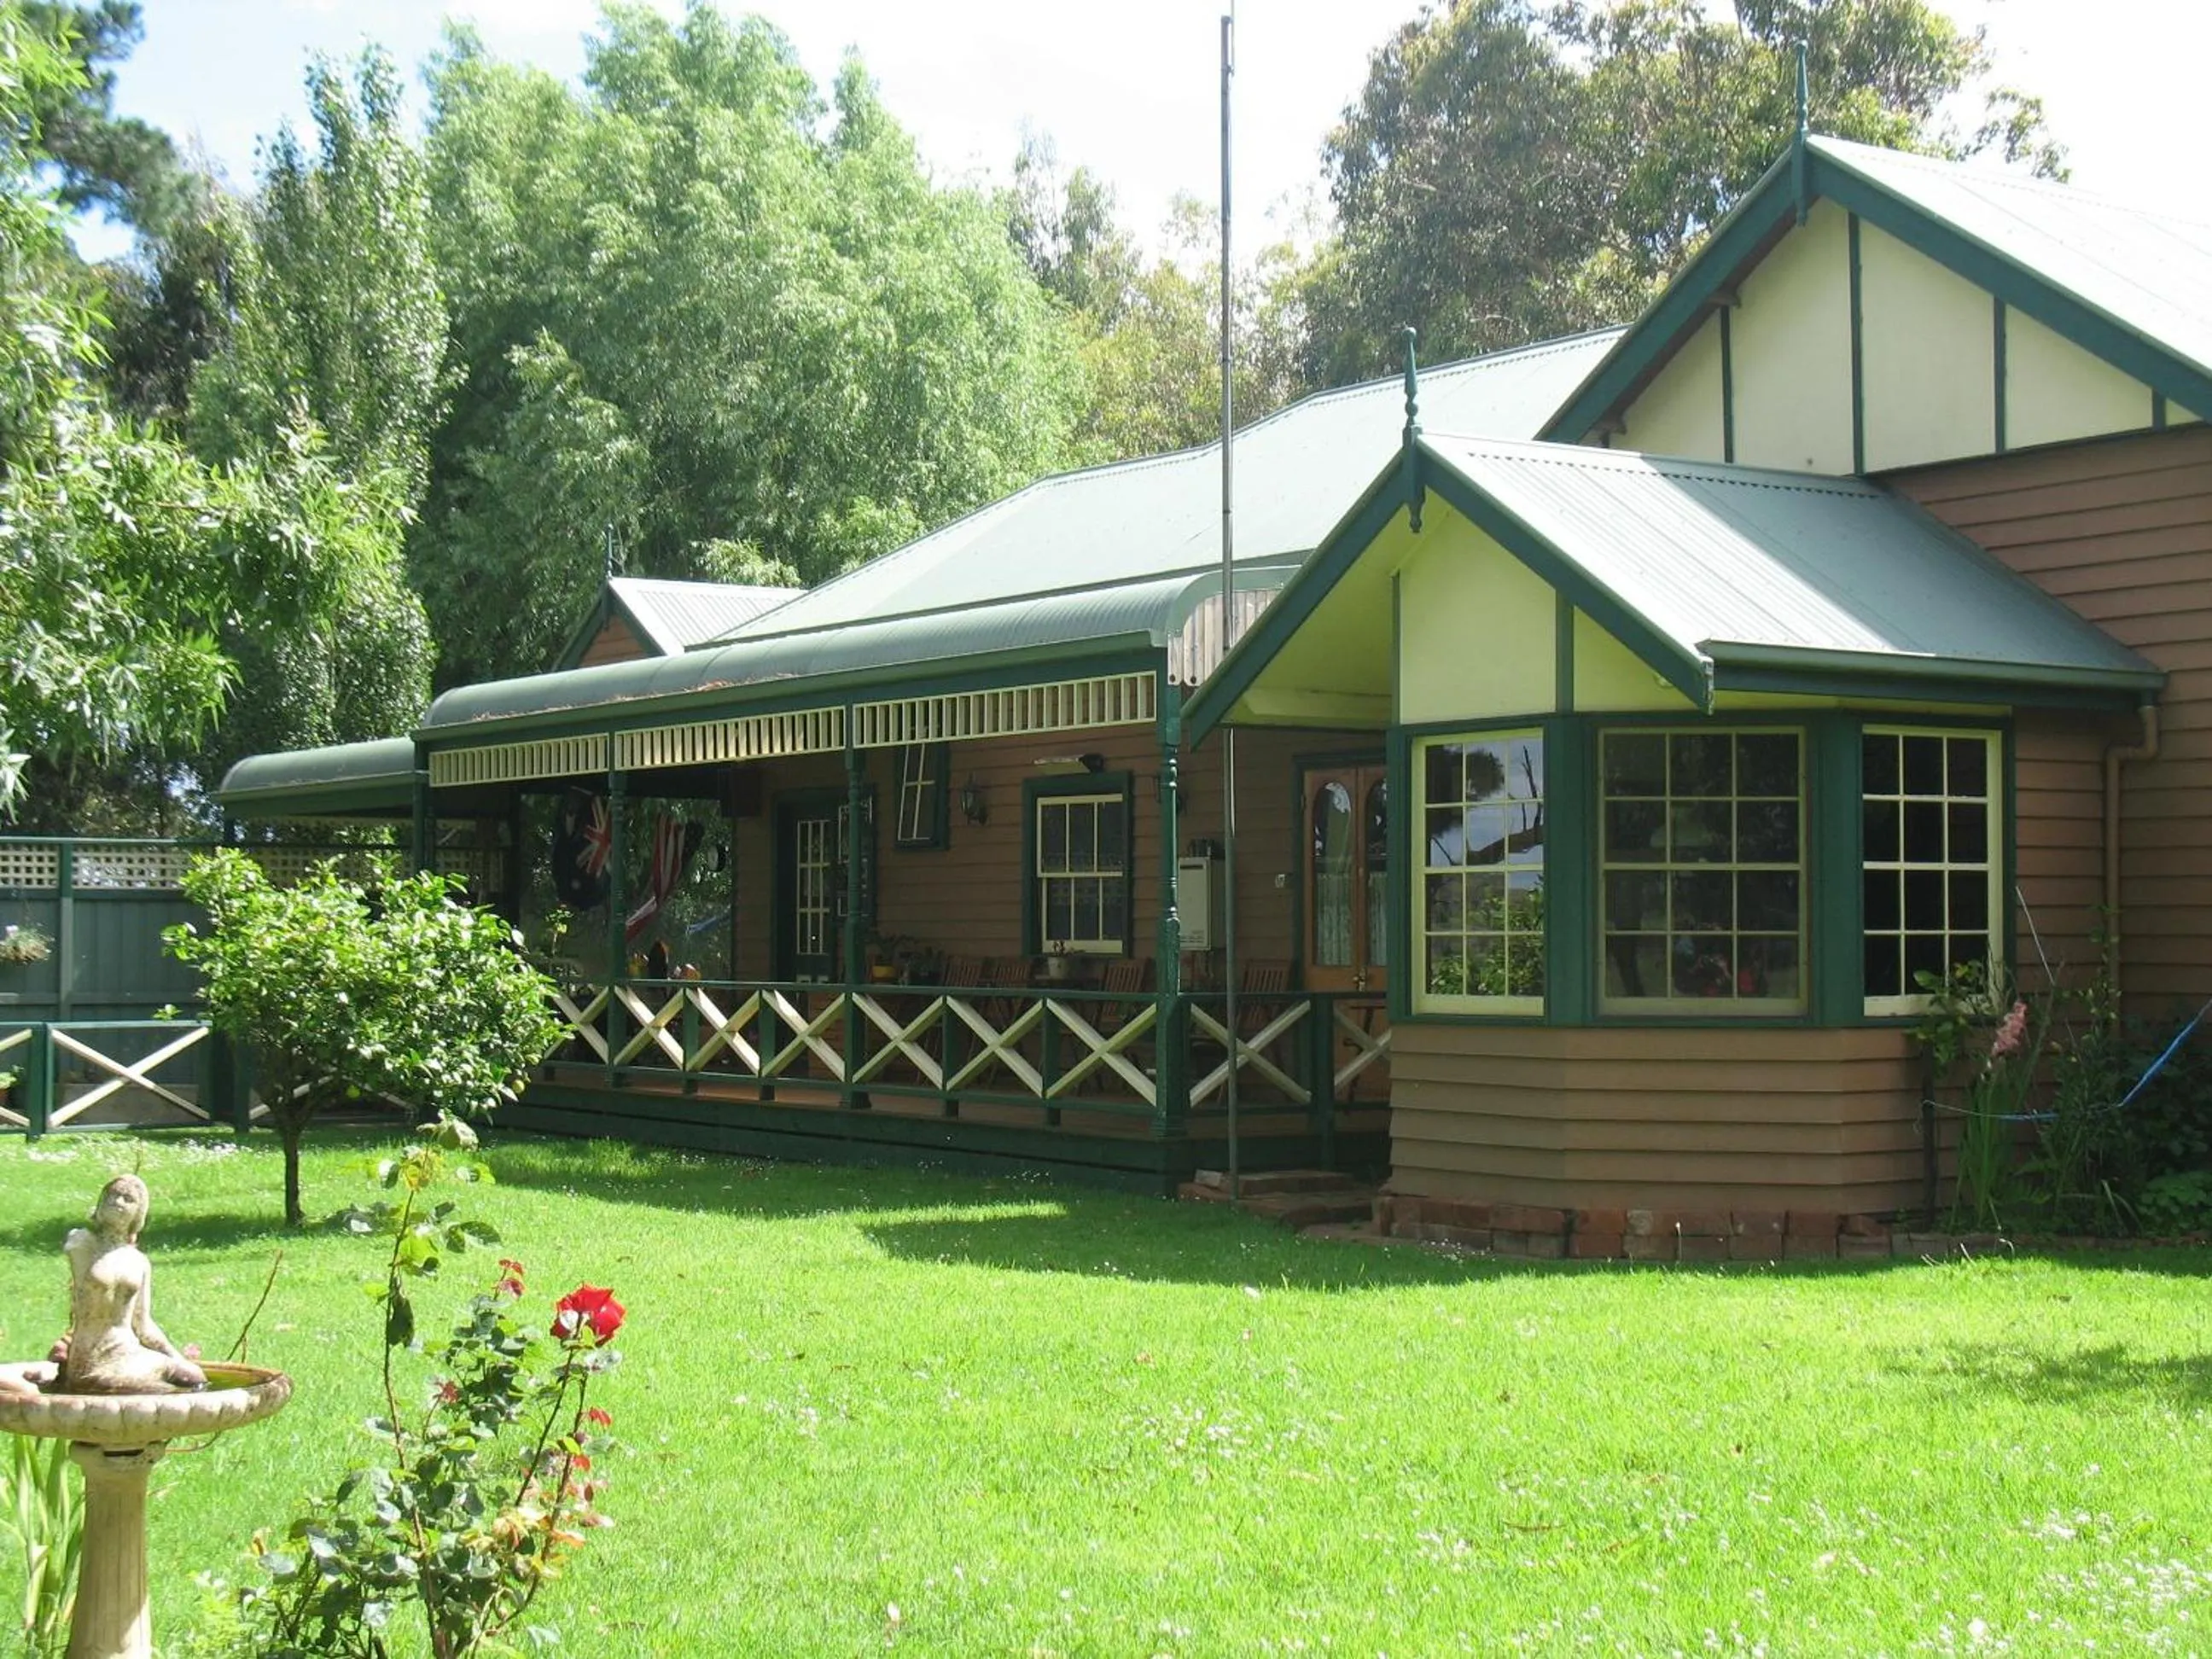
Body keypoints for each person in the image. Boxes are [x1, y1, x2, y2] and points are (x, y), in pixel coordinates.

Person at [50, 1174, 206, 1394]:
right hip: (92, 1357)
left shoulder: (138, 1262)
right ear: (101, 1203)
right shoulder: (83, 1244)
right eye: (112, 1195)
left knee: (193, 1376)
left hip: (126, 1350)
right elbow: (84, 1279)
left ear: (138, 1212)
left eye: (128, 1198)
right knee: (157, 1393)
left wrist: (178, 1358)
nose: (118, 1202)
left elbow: (143, 1324)